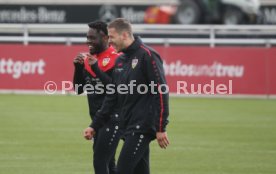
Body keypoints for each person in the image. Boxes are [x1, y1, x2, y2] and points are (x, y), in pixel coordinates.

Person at [84, 18, 170, 174]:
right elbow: (112, 96)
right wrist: (94, 125)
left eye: (111, 37)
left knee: (122, 169)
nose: (109, 42)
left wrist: (161, 127)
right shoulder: (121, 59)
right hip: (127, 125)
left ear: (124, 35)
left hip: (142, 126)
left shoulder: (147, 55)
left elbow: (160, 91)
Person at [73, 21, 121, 174]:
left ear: (106, 38)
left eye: (92, 38)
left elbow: (116, 89)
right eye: (87, 37)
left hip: (113, 119)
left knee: (100, 161)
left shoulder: (117, 58)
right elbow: (79, 89)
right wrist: (78, 68)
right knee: (109, 163)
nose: (88, 42)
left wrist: (96, 68)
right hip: (97, 120)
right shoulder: (89, 59)